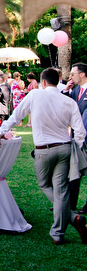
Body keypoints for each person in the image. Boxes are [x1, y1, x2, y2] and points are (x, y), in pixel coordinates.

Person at [0, 68, 87, 245]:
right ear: (58, 80)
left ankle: (71, 219)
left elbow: (17, 115)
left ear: (43, 82)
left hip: (44, 149)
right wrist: (77, 146)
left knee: (44, 184)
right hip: (65, 148)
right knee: (60, 190)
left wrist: (1, 131)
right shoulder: (68, 101)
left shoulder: (35, 95)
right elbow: (80, 132)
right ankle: (59, 232)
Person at [62, 63, 87, 213]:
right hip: (76, 137)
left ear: (82, 74)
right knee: (74, 170)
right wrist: (66, 90)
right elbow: (66, 106)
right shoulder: (75, 89)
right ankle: (70, 204)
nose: (70, 77)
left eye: (73, 74)